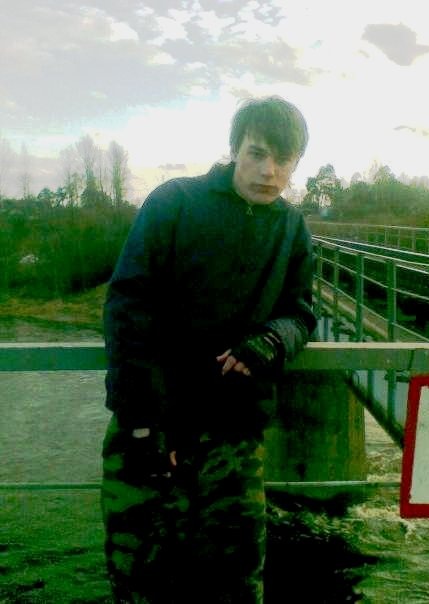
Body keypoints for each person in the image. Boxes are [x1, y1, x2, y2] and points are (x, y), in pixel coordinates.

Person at [101, 95, 317, 603]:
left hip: (234, 437)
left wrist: (271, 340)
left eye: (283, 159)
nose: (269, 171)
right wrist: (144, 422)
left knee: (235, 583)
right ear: (234, 148)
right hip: (150, 433)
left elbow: (301, 313)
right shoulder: (174, 202)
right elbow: (128, 306)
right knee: (141, 579)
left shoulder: (292, 228)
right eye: (257, 153)